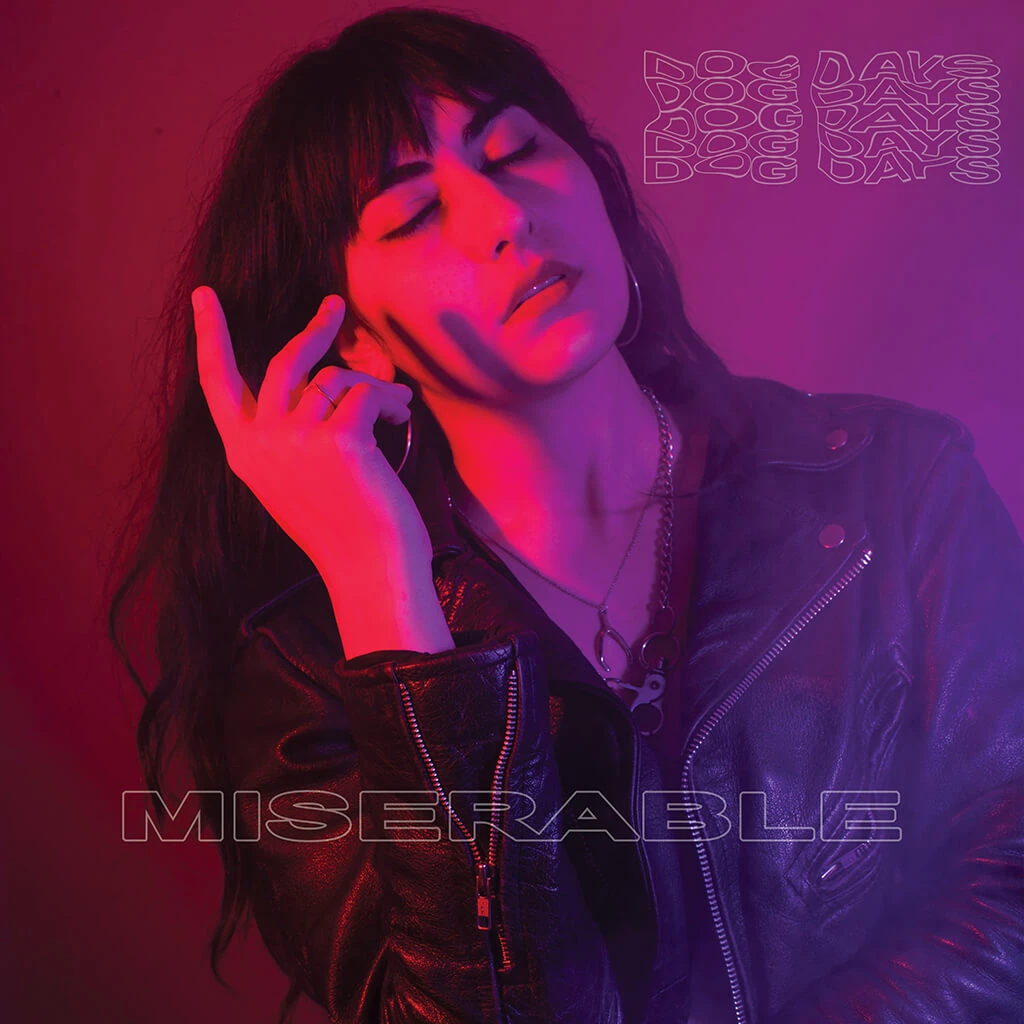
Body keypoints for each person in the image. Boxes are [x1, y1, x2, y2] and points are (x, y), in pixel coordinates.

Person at [105, 7, 1024, 1023]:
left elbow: (1008, 882)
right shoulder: (306, 667)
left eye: (514, 152)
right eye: (413, 214)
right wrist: (386, 594)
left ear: (593, 177)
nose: (504, 215)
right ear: (352, 336)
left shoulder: (898, 485)